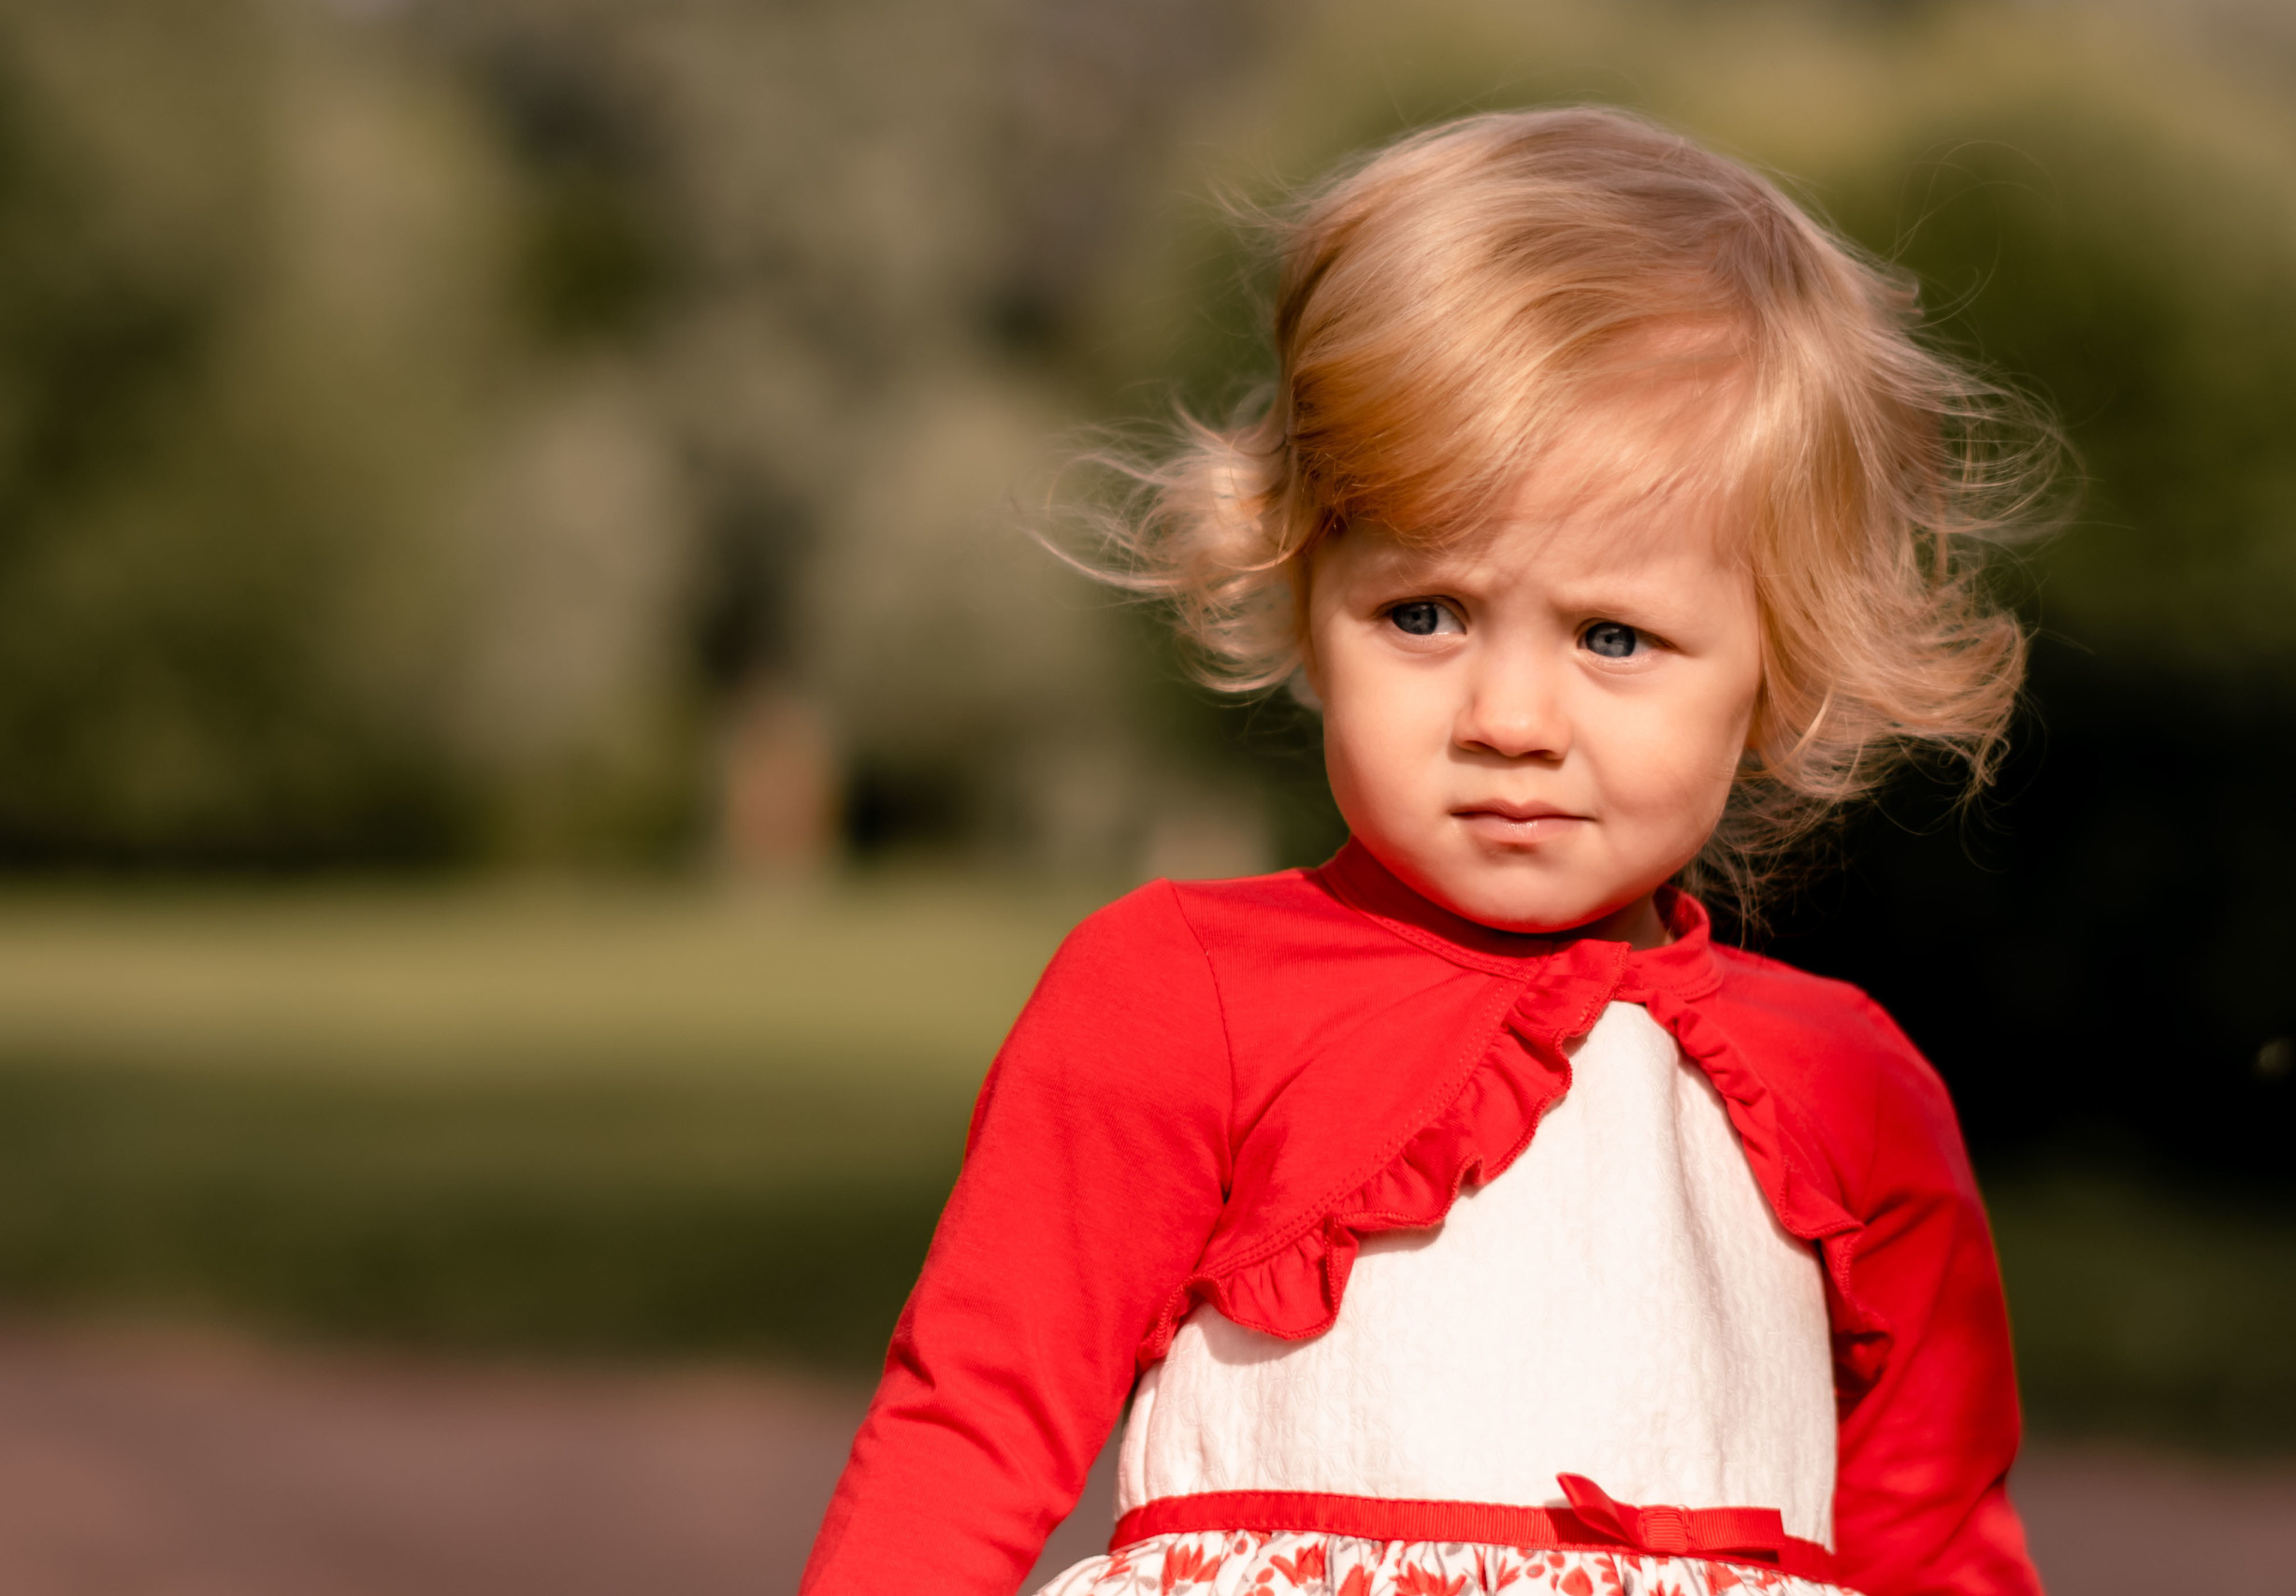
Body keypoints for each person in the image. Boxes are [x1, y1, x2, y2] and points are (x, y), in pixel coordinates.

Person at [800, 107, 2047, 1596]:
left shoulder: (1855, 1091)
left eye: (1613, 636)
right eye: (1425, 614)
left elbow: (1935, 1535)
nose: (1510, 716)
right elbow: (973, 1428)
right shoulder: (1173, 993)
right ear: (1303, 589)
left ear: (1779, 670)